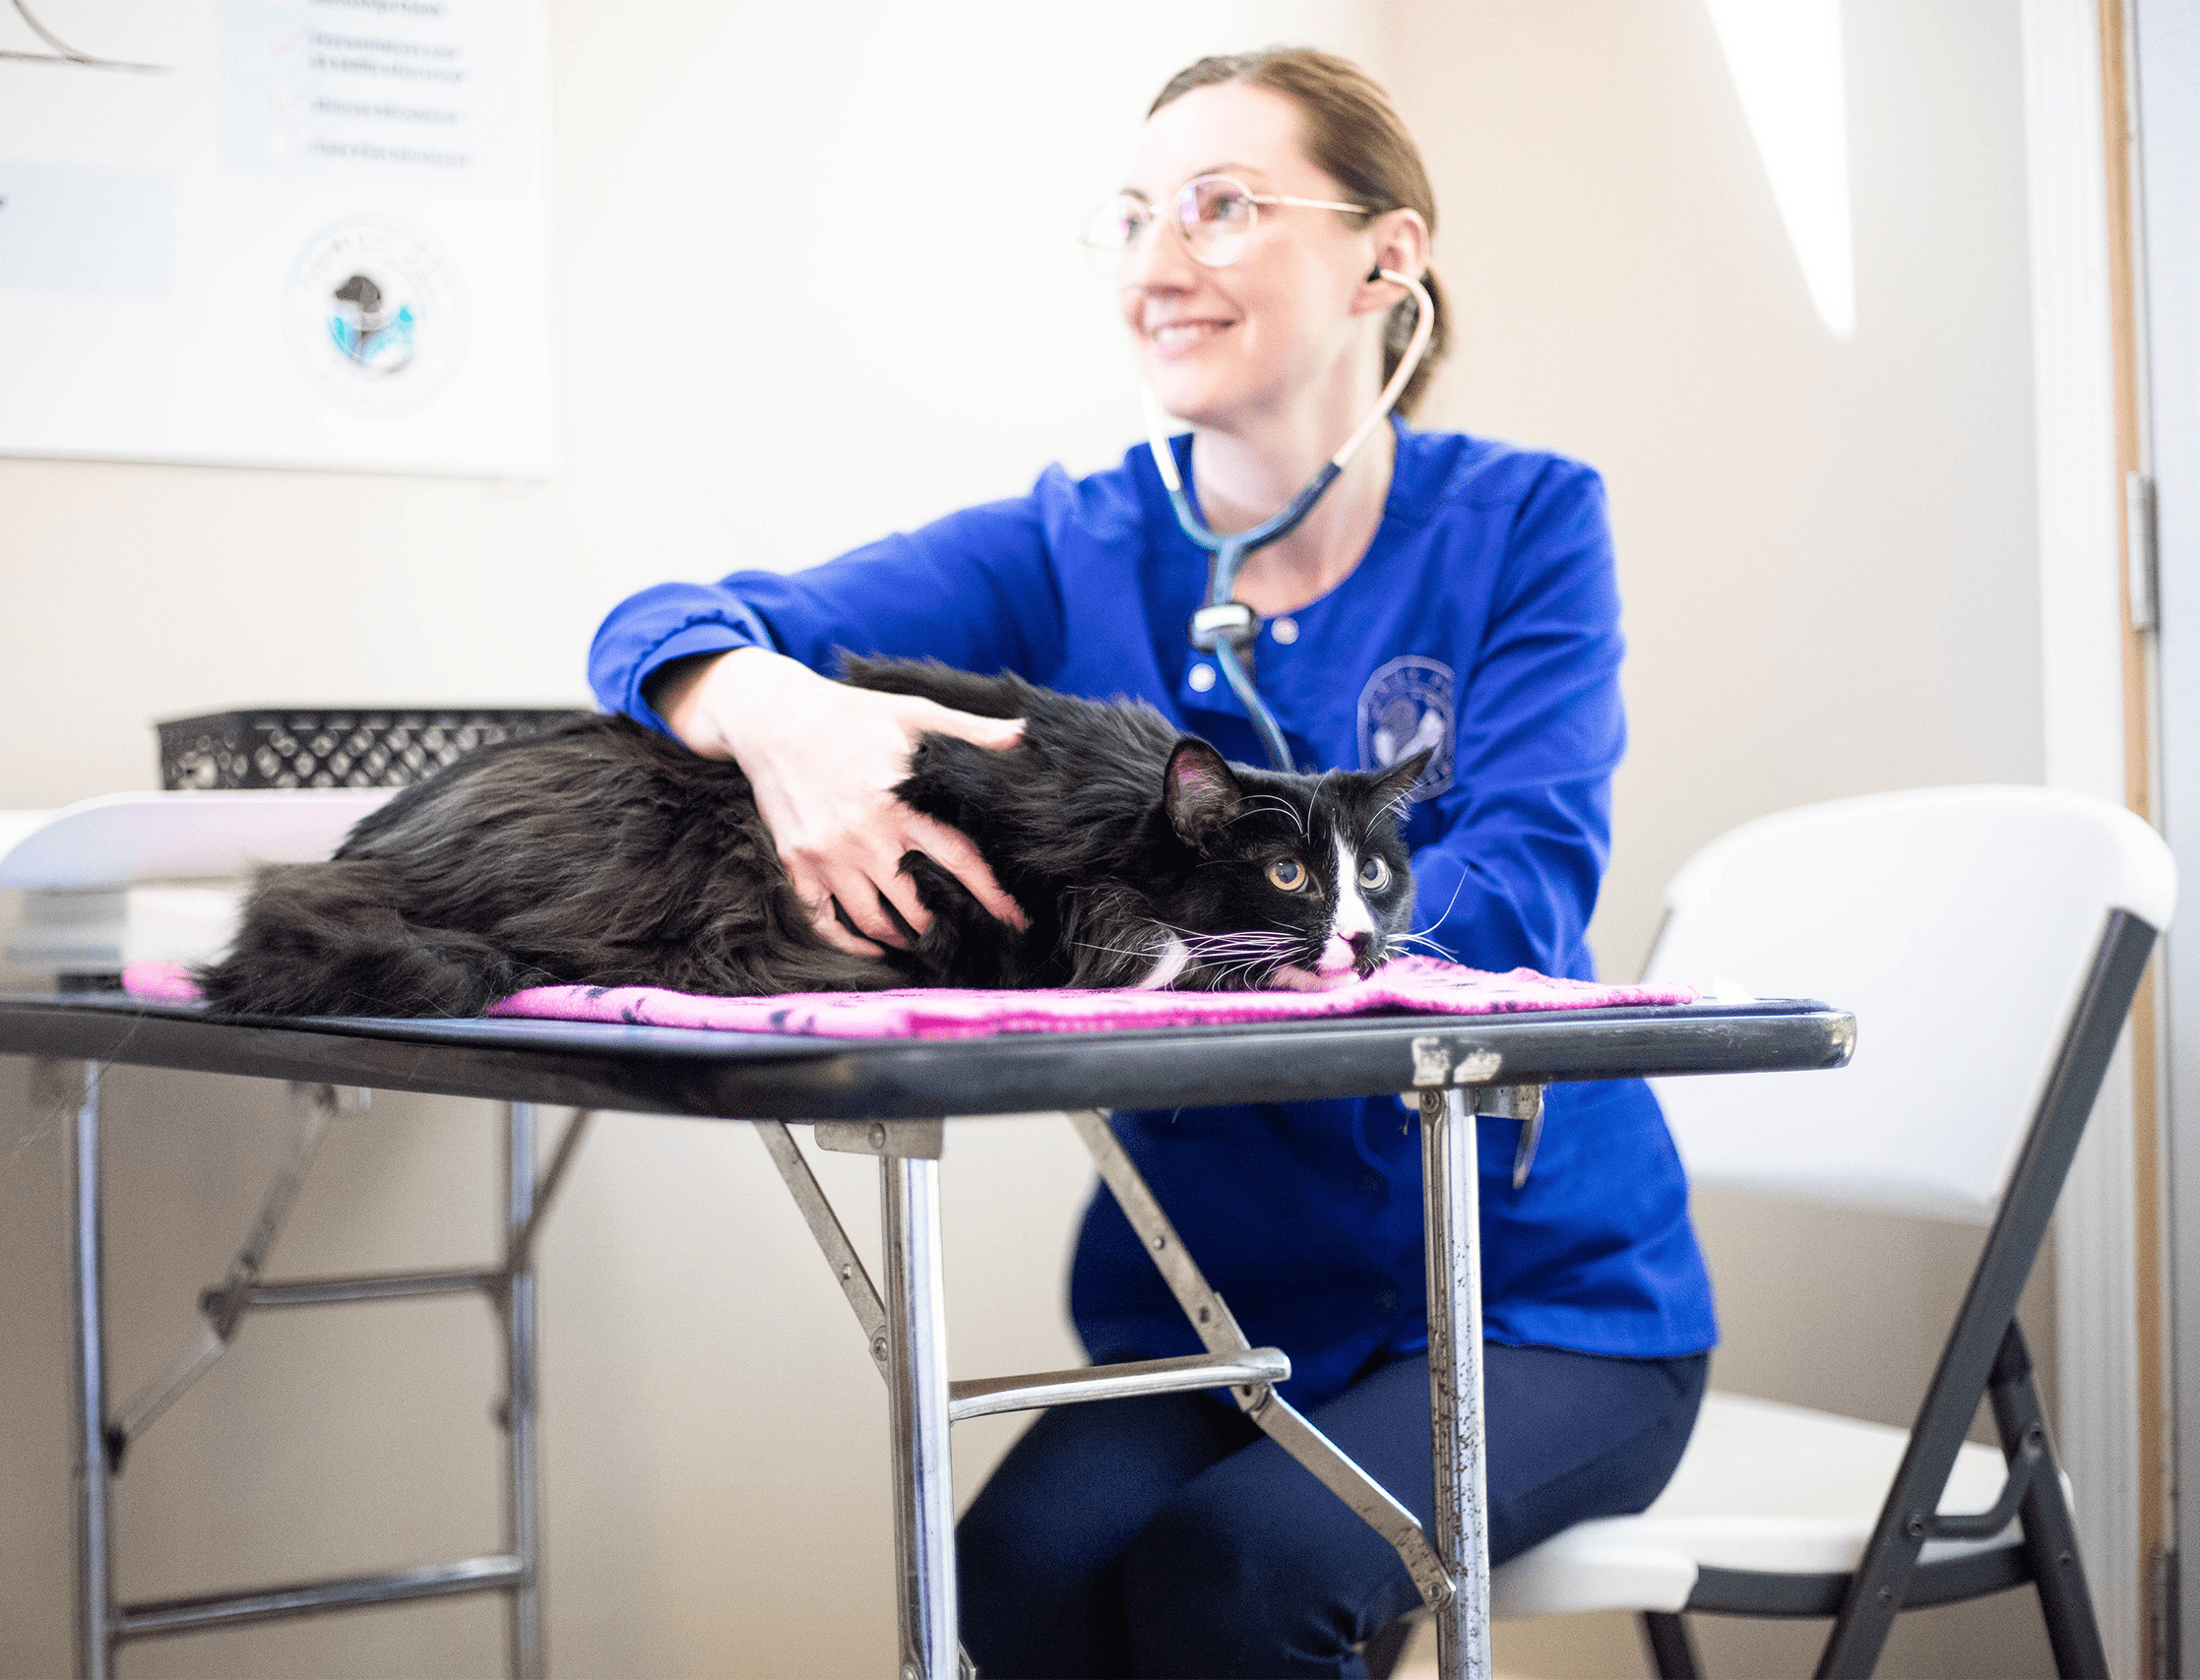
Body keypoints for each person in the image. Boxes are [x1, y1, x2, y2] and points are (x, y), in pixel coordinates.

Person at [588, 46, 1713, 1680]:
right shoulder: (1077, 544)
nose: (1156, 260)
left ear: (1388, 257)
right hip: (1214, 1308)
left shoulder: (1525, 523)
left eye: (1222, 206)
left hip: (1532, 1300)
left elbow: (1526, 884)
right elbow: (662, 625)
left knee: (1243, 1575)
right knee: (1012, 1579)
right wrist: (766, 710)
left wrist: (1282, 927)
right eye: (1129, 217)